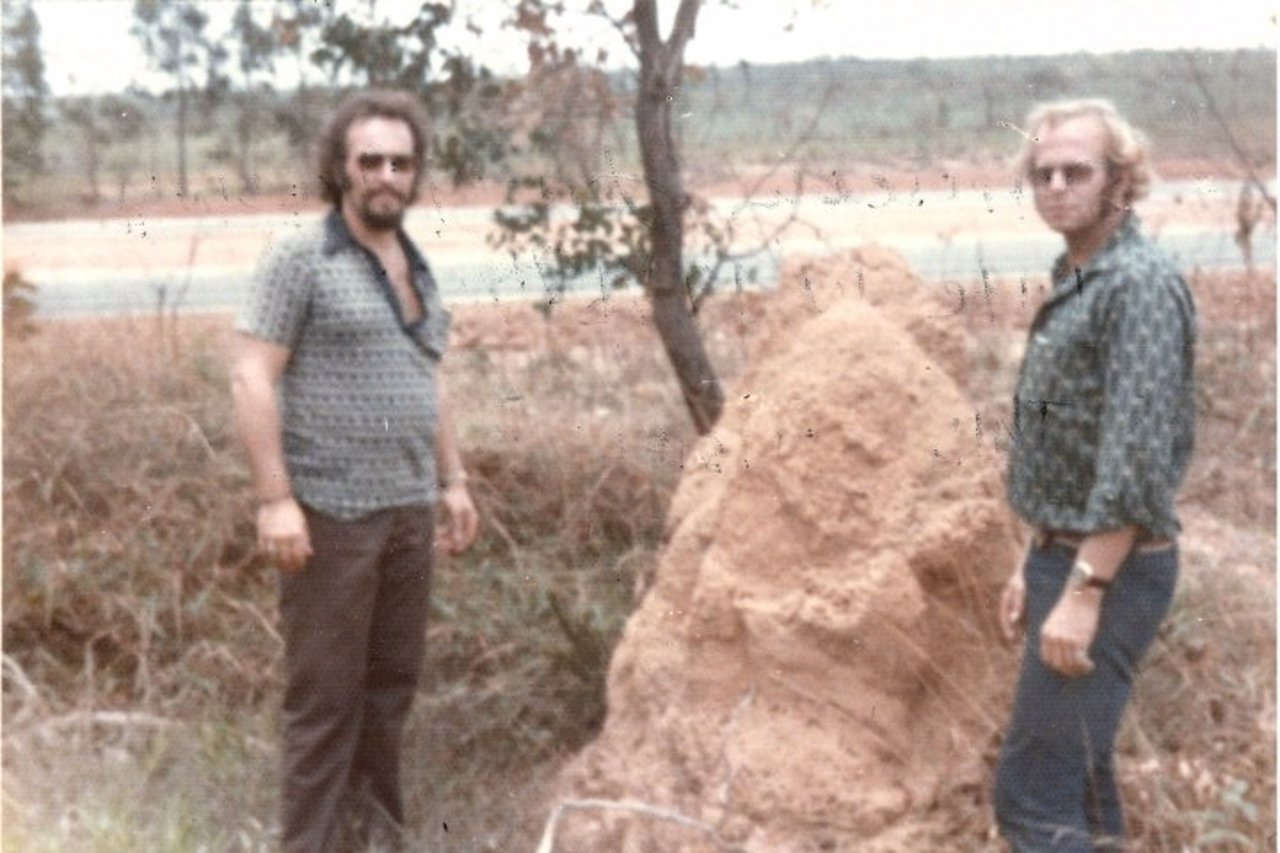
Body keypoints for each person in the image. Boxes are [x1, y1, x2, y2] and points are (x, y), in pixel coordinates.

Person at [231, 90, 479, 852]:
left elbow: (426, 376)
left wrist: (454, 480)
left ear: (416, 174)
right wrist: (276, 499)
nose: (387, 175)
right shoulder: (300, 258)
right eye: (369, 160)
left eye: (401, 162)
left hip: (407, 514)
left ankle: (376, 841)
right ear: (339, 169)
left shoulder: (416, 264)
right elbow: (250, 375)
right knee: (325, 705)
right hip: (331, 516)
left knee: (388, 696)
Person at [993, 99, 1197, 850]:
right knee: (1079, 776)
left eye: (1075, 171)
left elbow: (1134, 460)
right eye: (1041, 172)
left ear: (1120, 179)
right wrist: (1032, 556)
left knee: (1029, 797)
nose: (1055, 185)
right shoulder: (1079, 274)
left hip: (1109, 569)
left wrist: (1082, 592)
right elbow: (1069, 443)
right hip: (1067, 551)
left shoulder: (1135, 285)